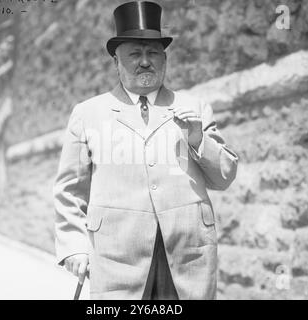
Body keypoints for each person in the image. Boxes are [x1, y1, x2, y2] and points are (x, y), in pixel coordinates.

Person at [54, 1, 238, 300]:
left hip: (186, 254)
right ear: (117, 62)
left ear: (164, 59)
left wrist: (197, 141)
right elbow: (69, 190)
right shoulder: (88, 113)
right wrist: (74, 246)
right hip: (116, 257)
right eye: (134, 54)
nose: (144, 62)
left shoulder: (194, 107)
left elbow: (224, 177)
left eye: (153, 53)